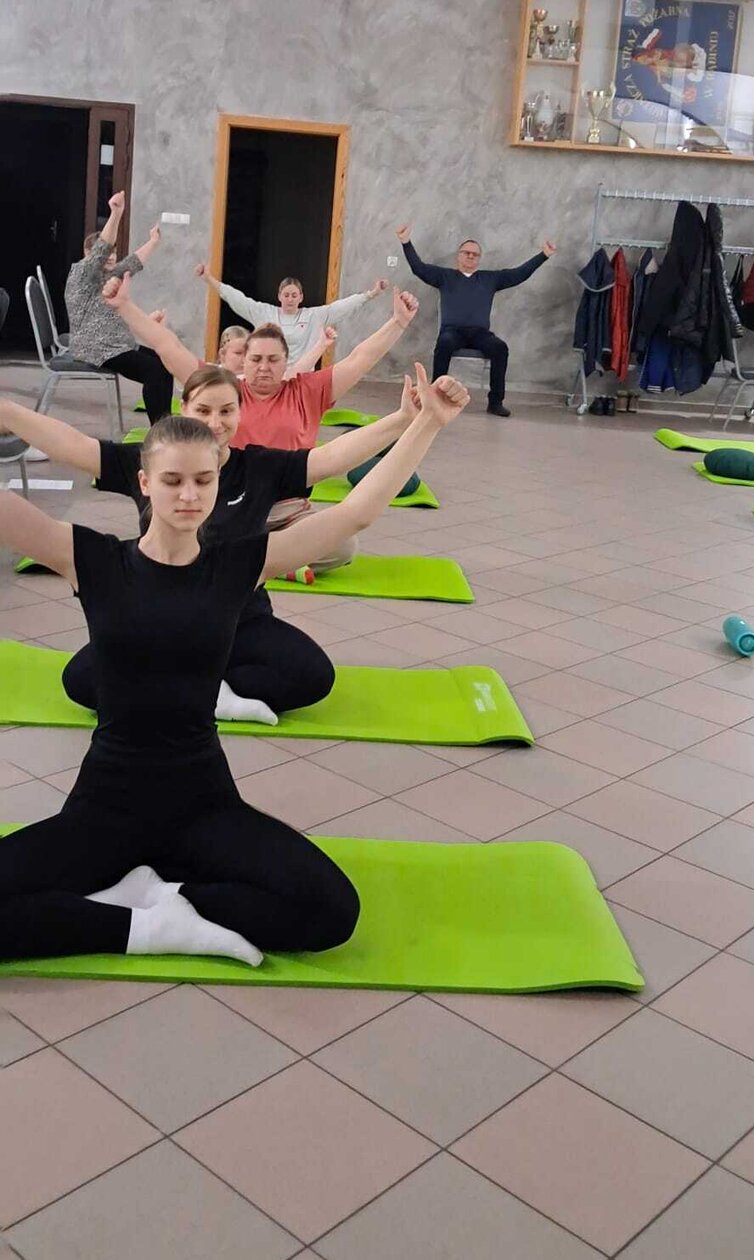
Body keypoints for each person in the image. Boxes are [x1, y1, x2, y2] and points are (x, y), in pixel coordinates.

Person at [0, 369, 468, 967]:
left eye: (203, 481)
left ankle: (169, 899)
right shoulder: (90, 559)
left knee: (332, 910)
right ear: (144, 483)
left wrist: (426, 423)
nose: (188, 496)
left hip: (202, 802)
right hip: (104, 804)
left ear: (218, 481)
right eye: (172, 481)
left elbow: (353, 515)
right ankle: (145, 926)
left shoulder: (236, 567)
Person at [0, 370, 423, 726]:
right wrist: (7, 411)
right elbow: (74, 446)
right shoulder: (150, 460)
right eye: (203, 410)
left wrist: (407, 421)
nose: (216, 422)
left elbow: (335, 472)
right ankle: (205, 689)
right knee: (82, 680)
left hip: (235, 613)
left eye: (226, 411)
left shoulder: (257, 471)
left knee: (311, 675)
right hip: (154, 614)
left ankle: (203, 687)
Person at [105, 278, 419, 576]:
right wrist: (124, 306)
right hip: (228, 508)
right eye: (256, 359)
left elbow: (360, 359)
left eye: (273, 360)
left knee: (343, 547)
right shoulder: (224, 392)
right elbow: (168, 346)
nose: (264, 367)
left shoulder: (308, 391)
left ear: (286, 361)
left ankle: (247, 559)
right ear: (245, 360)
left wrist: (398, 322)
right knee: (195, 531)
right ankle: (273, 564)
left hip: (286, 512)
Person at [396, 225, 556, 417]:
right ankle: (436, 397)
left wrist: (543, 255)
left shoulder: (490, 278)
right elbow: (418, 268)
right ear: (459, 256)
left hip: (480, 334)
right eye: (467, 253)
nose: (471, 256)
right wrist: (405, 242)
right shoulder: (445, 276)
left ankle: (495, 403)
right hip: (452, 331)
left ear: (479, 258)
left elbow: (519, 274)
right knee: (444, 344)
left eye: (475, 254)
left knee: (500, 348)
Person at [64, 191, 174, 425]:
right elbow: (101, 250)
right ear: (88, 254)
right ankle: (160, 431)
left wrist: (153, 242)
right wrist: (116, 213)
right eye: (106, 253)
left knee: (166, 360)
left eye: (114, 252)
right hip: (98, 347)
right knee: (153, 371)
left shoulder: (107, 275)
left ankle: (166, 425)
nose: (110, 256)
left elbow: (132, 263)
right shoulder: (82, 274)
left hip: (119, 344)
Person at [196, 264, 388, 367]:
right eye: (286, 295)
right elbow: (237, 298)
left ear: (301, 297)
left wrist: (371, 294)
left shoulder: (314, 316)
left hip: (302, 376)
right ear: (279, 296)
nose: (290, 299)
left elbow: (342, 307)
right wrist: (209, 279)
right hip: (271, 374)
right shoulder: (264, 312)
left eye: (294, 295)